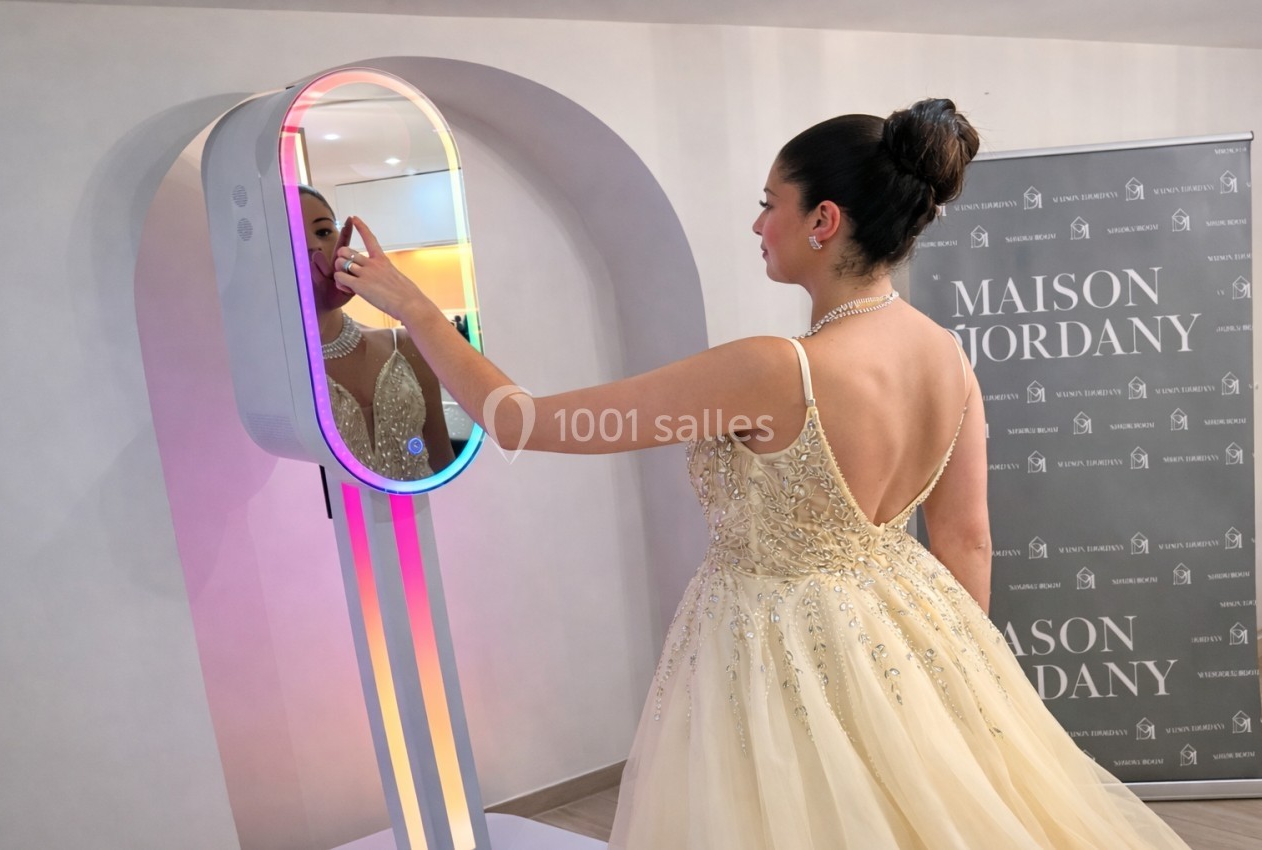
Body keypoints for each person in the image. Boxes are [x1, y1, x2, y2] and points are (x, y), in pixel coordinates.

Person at [330, 99, 1190, 848]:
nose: (756, 225)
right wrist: (946, 689)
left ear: (823, 221)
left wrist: (413, 308)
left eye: (767, 204)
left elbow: (523, 421)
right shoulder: (946, 358)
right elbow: (967, 538)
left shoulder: (775, 370)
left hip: (769, 643)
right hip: (911, 629)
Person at [299, 186, 454, 479]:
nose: (314, 247)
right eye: (290, 235)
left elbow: (445, 464)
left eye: (322, 232)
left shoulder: (403, 344)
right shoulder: (273, 370)